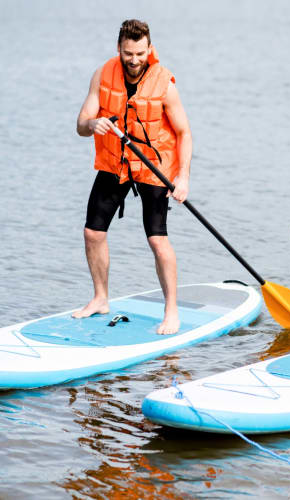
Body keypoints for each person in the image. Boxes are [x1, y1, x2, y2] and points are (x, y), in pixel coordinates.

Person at [73, 19, 192, 334]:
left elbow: (184, 133)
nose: (135, 60)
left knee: (157, 238)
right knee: (92, 233)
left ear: (149, 49)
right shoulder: (103, 74)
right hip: (115, 163)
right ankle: (100, 298)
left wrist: (183, 178)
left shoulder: (165, 84)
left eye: (140, 53)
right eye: (129, 53)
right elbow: (81, 124)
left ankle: (172, 312)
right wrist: (92, 125)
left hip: (153, 165)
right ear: (119, 49)